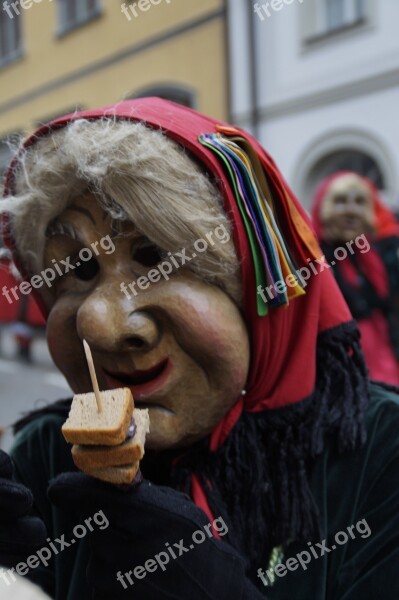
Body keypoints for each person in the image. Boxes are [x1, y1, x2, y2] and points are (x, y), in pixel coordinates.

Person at [0, 99, 398, 600]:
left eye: (155, 256)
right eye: (78, 271)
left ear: (254, 289)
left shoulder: (382, 450)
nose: (97, 325)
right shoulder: (48, 452)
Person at [311, 171, 399, 384]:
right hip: (340, 377)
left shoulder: (378, 258)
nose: (351, 211)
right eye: (340, 201)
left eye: (359, 202)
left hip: (387, 370)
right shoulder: (311, 262)